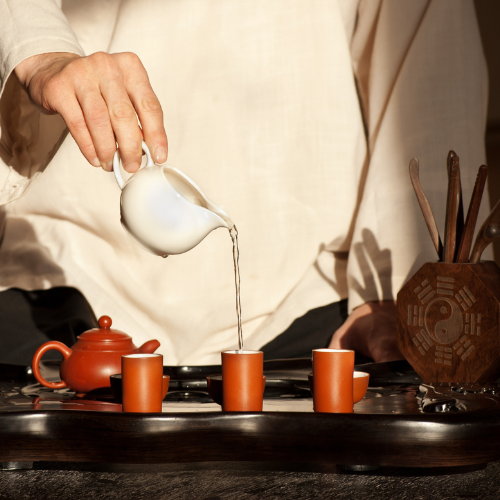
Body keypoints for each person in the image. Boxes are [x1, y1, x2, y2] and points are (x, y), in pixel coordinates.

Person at [0, 0, 491, 366]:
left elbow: (427, 56)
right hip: (67, 270)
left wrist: (393, 292)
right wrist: (41, 52)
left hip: (303, 296)